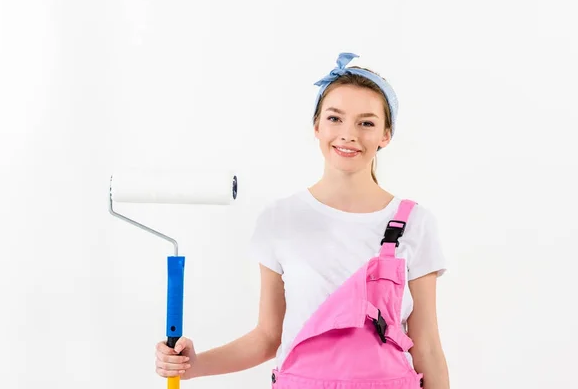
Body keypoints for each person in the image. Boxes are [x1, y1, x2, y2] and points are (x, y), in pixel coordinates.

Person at [154, 52, 450, 388]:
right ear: (317, 126)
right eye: (335, 118)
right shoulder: (280, 220)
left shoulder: (415, 223)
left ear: (385, 135)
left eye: (366, 123)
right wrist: (193, 365)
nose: (348, 134)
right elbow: (268, 336)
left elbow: (426, 346)